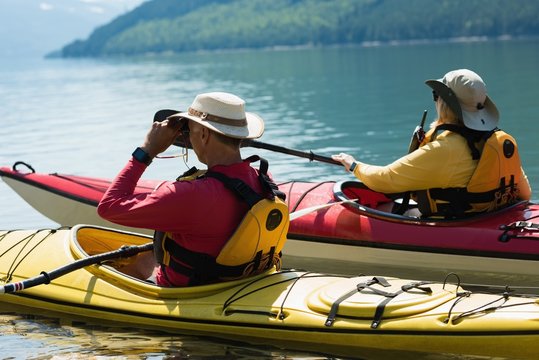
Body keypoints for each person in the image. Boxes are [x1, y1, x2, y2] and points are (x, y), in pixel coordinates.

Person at [98, 92, 289, 287]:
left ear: (204, 135)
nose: (187, 140)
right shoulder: (264, 180)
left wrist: (147, 151)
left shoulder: (189, 195)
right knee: (148, 255)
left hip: (188, 291)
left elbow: (109, 206)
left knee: (122, 268)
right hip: (239, 281)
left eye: (188, 131)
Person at [332, 69, 531, 218]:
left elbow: (386, 180)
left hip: (456, 223)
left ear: (445, 103)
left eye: (437, 96)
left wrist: (353, 165)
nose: (435, 100)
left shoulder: (445, 149)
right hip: (493, 217)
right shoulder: (499, 140)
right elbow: (525, 193)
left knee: (384, 208)